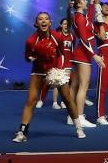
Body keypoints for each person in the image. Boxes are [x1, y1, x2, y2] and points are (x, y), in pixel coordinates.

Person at [12, 12, 89, 143]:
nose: (43, 21)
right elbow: (27, 57)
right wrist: (32, 58)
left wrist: (58, 71)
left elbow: (62, 55)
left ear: (50, 22)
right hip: (38, 72)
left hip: (55, 71)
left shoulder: (57, 37)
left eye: (46, 19)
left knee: (67, 99)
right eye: (40, 19)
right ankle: (22, 132)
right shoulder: (31, 40)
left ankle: (78, 127)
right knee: (31, 101)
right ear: (36, 23)